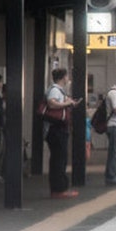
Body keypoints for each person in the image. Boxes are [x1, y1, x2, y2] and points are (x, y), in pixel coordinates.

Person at [44, 68, 81, 199]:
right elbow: (52, 104)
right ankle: (59, 189)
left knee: (59, 159)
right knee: (59, 159)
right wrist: (67, 103)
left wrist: (69, 103)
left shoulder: (58, 90)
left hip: (58, 129)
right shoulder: (54, 90)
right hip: (57, 129)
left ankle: (60, 188)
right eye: (67, 76)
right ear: (63, 77)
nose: (68, 79)